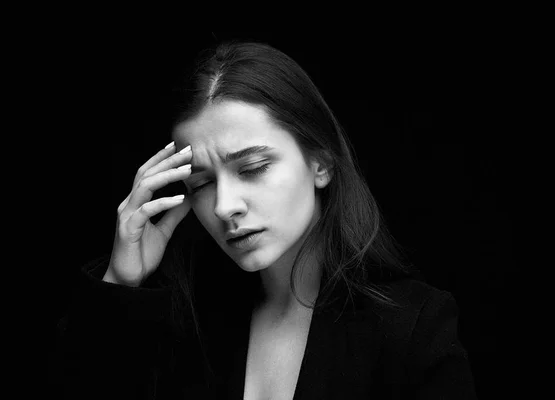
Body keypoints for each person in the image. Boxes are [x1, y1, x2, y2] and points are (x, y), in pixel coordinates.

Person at [49, 39, 477, 399]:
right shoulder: (186, 326)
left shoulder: (412, 328)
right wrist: (120, 284)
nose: (224, 207)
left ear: (320, 163)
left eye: (252, 168)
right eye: (201, 184)